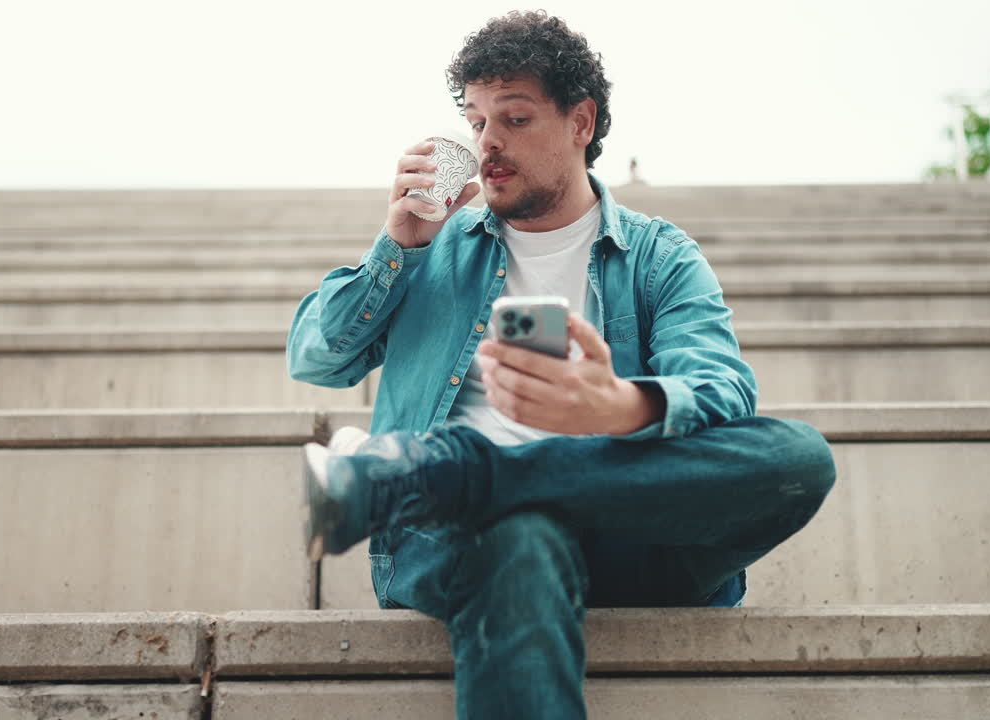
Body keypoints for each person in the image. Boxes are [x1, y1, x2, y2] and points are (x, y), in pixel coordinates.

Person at [287, 10, 835, 719]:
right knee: (519, 531)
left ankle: (436, 476)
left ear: (581, 122)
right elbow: (316, 358)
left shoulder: (660, 257)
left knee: (800, 458)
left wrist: (619, 407)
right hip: (463, 545)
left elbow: (722, 389)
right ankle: (460, 485)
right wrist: (398, 247)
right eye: (476, 121)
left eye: (515, 119)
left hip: (632, 535)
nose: (488, 142)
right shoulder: (433, 246)